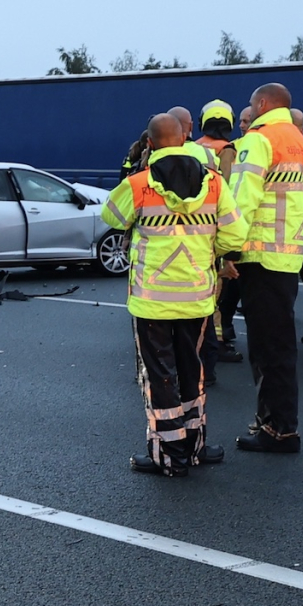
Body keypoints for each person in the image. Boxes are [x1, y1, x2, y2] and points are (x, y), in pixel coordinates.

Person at [101, 112, 245, 477]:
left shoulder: (139, 183)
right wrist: (208, 253)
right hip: (196, 297)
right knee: (191, 371)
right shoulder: (213, 183)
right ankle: (195, 447)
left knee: (160, 376)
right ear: (184, 140)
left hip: (152, 300)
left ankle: (169, 455)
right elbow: (234, 236)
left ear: (150, 143)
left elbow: (110, 216)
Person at [228, 83, 303, 455]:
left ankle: (277, 430)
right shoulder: (302, 144)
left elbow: (242, 199)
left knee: (267, 349)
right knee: (280, 346)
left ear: (263, 104)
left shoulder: (259, 139)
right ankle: (279, 424)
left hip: (260, 256)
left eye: (251, 106)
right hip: (288, 255)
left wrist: (227, 249)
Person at [195, 100, 243, 363]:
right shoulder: (226, 150)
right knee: (217, 284)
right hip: (216, 223)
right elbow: (227, 188)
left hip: (195, 223)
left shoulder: (196, 147)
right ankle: (216, 342)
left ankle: (207, 339)